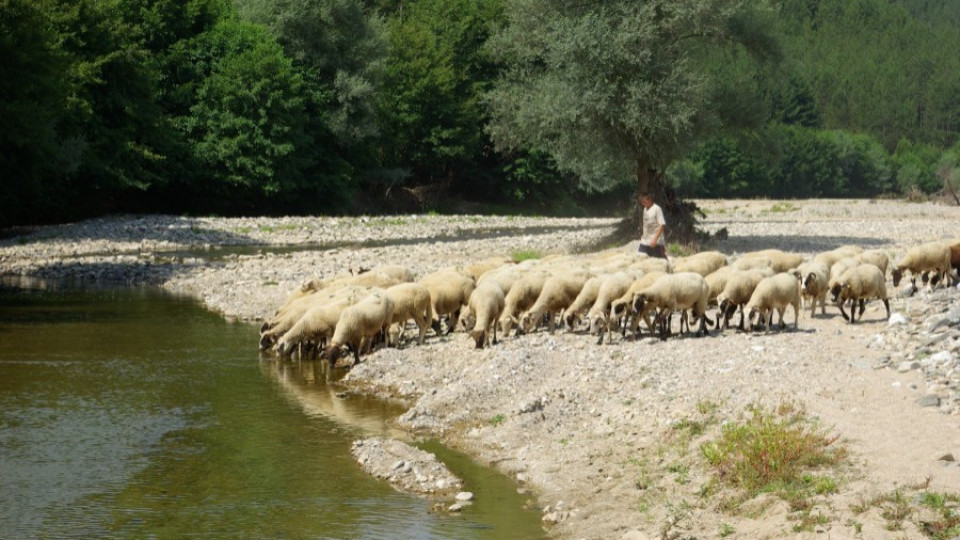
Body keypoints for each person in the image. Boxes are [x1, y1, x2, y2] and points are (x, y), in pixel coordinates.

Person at [637, 193, 667, 258]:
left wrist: (655, 240)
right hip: (645, 240)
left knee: (661, 262)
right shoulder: (645, 209)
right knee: (640, 259)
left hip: (656, 242)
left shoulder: (657, 209)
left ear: (650, 199)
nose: (643, 203)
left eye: (644, 202)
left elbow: (662, 225)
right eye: (642, 202)